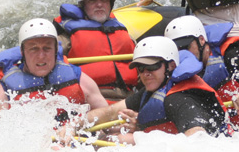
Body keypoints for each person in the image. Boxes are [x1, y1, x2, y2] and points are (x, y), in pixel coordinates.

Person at [85, 36, 230, 143]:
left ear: (171, 65)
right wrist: (73, 125)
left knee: (119, 140)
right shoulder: (153, 89)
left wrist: (139, 138)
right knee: (109, 139)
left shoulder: (179, 99)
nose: (145, 73)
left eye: (152, 67)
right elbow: (109, 112)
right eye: (140, 68)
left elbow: (199, 140)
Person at [0, 18, 109, 128]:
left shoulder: (77, 78)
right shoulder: (4, 91)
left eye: (47, 48)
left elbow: (107, 115)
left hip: (77, 143)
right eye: (34, 49)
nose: (41, 56)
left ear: (56, 50)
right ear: (22, 52)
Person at [54, 0, 138, 101]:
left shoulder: (123, 33)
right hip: (92, 100)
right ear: (83, 6)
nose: (99, 4)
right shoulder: (67, 37)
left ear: (110, 4)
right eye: (92, 1)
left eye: (104, 0)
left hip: (129, 99)